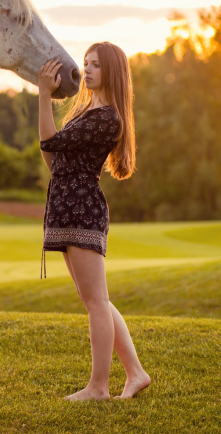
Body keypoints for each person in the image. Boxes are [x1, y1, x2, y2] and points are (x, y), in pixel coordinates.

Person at [37, 41, 151, 401]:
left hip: (83, 209)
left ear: (111, 72)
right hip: (67, 206)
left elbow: (50, 142)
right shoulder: (86, 110)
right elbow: (54, 162)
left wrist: (43, 96)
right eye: (85, 63)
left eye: (95, 65)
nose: (86, 69)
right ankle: (136, 373)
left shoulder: (106, 118)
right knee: (96, 299)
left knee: (96, 302)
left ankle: (98, 387)